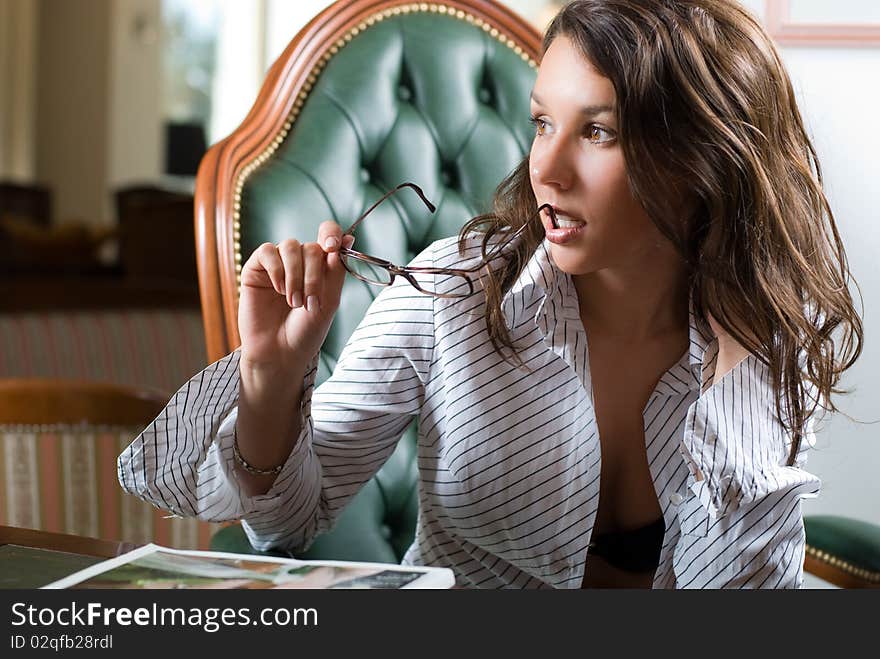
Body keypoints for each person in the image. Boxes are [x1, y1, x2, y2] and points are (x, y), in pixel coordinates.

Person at [119, 0, 862, 588]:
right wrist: (269, 384)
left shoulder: (766, 332)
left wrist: (736, 378)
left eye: (597, 132)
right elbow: (282, 528)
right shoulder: (455, 294)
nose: (548, 167)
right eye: (543, 122)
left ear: (705, 156)